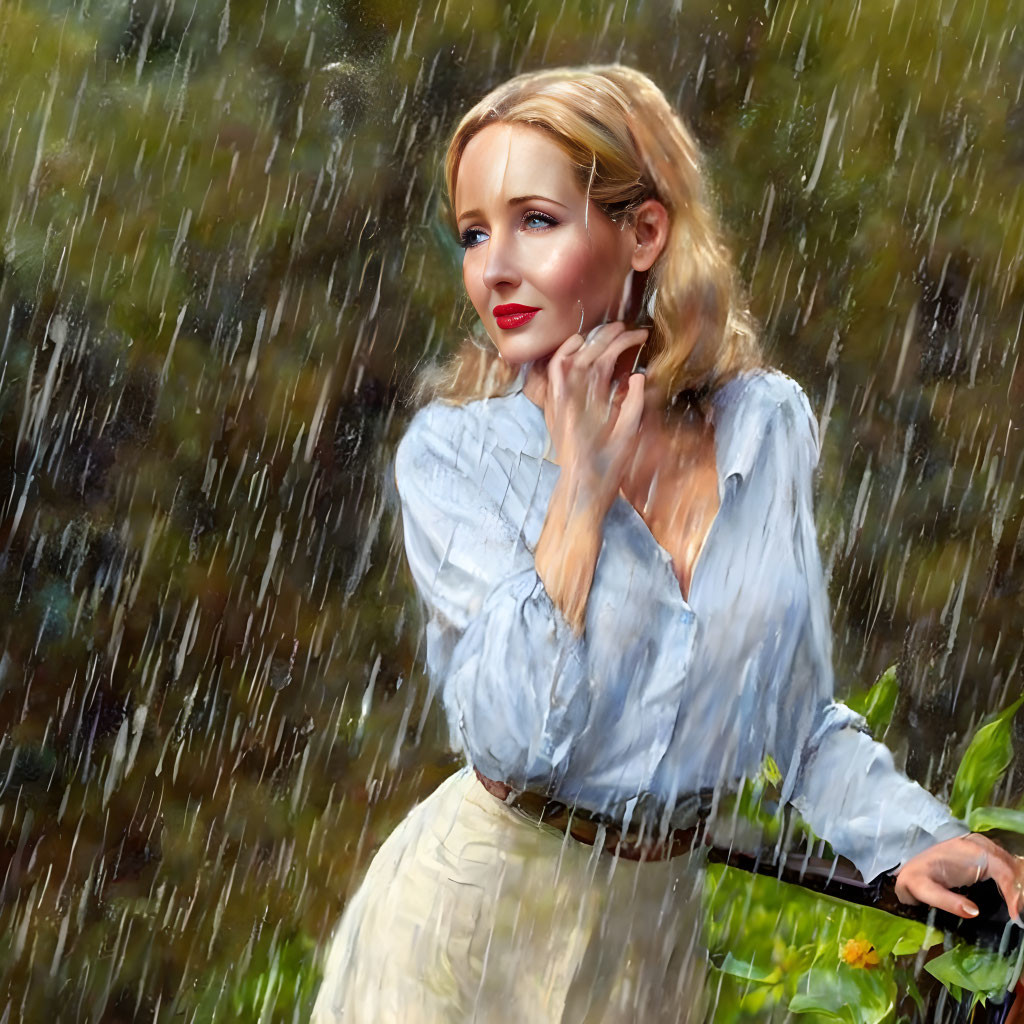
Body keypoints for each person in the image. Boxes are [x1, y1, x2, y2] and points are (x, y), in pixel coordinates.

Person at [311, 64, 1023, 1023]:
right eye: (475, 233)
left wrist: (910, 840)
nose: (495, 269)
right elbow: (515, 741)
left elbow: (793, 718)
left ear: (644, 232)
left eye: (535, 220)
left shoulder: (764, 426)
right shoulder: (455, 456)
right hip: (466, 931)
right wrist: (581, 493)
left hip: (649, 949)